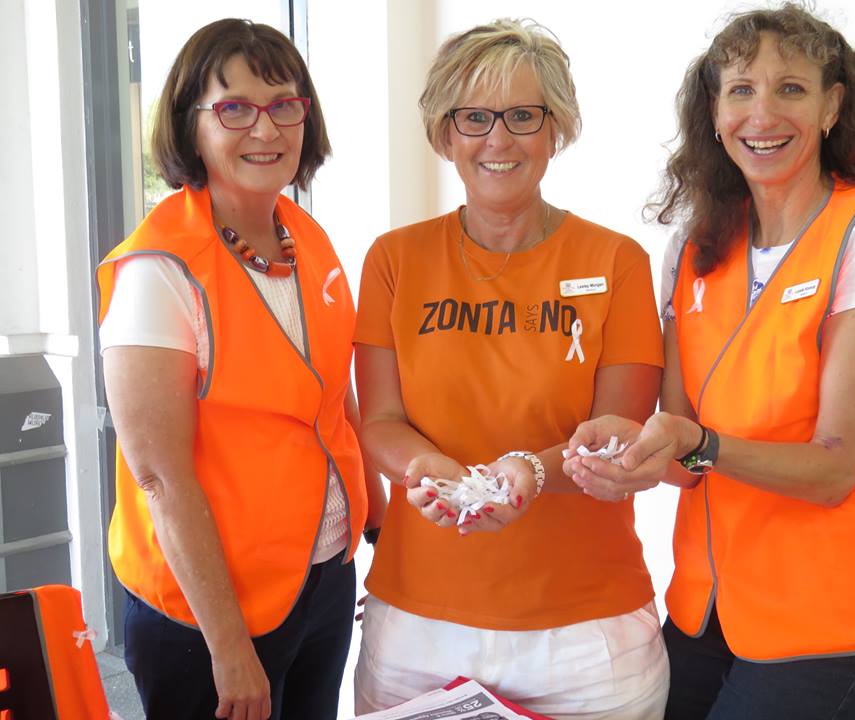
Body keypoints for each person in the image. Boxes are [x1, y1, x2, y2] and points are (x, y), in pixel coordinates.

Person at [564, 4, 855, 719]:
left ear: (833, 106)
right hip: (710, 605)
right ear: (714, 114)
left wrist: (696, 444)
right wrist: (632, 453)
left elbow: (835, 469)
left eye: (791, 88)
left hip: (833, 616)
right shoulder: (695, 247)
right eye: (741, 90)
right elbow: (685, 453)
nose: (762, 113)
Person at [353, 18, 668, 720]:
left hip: (587, 638)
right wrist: (426, 471)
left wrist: (530, 470)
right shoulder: (394, 261)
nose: (498, 139)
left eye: (524, 116)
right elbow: (379, 420)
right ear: (445, 134)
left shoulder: (616, 262)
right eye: (474, 118)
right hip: (417, 628)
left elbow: (619, 433)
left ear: (556, 130)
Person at [96, 18, 385, 720]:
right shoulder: (160, 271)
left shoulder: (305, 236)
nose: (266, 128)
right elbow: (160, 477)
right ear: (189, 125)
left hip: (322, 574)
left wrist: (380, 530)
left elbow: (335, 398)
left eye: (284, 105)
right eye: (234, 108)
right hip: (210, 611)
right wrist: (228, 647)